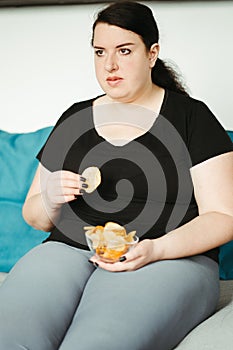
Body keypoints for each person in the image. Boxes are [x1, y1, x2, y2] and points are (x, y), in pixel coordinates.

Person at [0, 1, 232, 349]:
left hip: (167, 257)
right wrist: (49, 197)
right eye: (99, 52)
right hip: (67, 249)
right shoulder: (75, 118)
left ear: (152, 54)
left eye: (124, 51)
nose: (109, 65)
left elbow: (224, 216)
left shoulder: (191, 117)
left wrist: (156, 250)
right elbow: (35, 216)